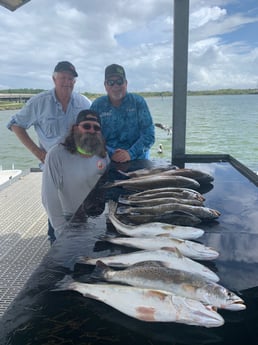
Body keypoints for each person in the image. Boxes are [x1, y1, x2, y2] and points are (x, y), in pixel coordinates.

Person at [6, 61, 92, 242]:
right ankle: (56, 241)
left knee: (79, 206)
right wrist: (38, 153)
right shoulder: (39, 102)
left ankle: (79, 239)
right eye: (63, 77)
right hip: (52, 167)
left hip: (78, 166)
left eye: (71, 78)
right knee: (54, 206)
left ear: (75, 82)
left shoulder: (84, 103)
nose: (67, 82)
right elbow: (15, 125)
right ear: (54, 79)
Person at [42, 109, 110, 239]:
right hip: (67, 220)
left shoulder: (103, 156)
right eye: (86, 126)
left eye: (96, 128)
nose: (91, 130)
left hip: (94, 218)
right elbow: (48, 197)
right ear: (75, 128)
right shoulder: (56, 154)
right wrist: (62, 230)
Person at [90, 64, 155, 163]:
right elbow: (91, 135)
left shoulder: (138, 102)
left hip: (137, 159)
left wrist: (130, 154)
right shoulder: (97, 105)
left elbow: (149, 134)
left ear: (126, 83)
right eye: (111, 82)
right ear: (105, 85)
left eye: (119, 82)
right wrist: (111, 154)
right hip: (105, 159)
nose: (115, 86)